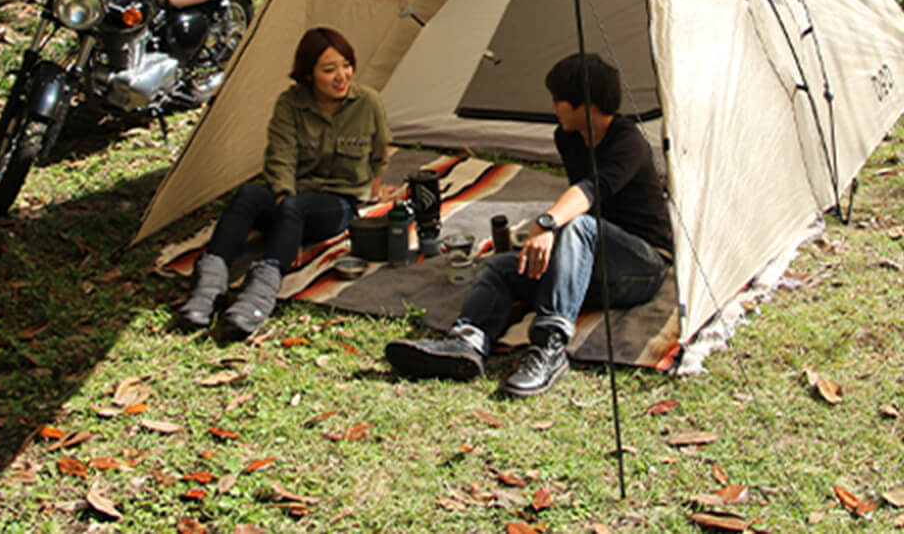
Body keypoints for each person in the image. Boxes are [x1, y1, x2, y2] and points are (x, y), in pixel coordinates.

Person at [384, 52, 672, 397]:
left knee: (578, 225)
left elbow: (589, 192)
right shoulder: (567, 137)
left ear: (586, 105)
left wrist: (548, 224)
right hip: (587, 263)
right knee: (503, 267)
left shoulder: (628, 143)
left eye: (558, 100)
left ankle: (550, 347)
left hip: (641, 265)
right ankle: (468, 342)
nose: (553, 107)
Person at [178, 26, 392, 340]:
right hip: (293, 194)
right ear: (308, 74)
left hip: (336, 202)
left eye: (346, 66)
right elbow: (280, 155)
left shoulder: (367, 102)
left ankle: (257, 298)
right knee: (248, 195)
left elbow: (380, 149)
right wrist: (281, 194)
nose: (342, 76)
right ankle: (208, 287)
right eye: (329, 69)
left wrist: (374, 186)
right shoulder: (290, 105)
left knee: (295, 208)